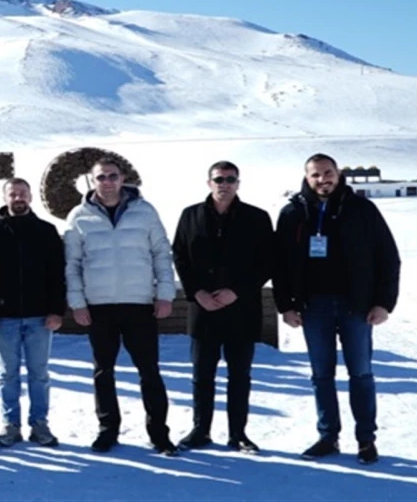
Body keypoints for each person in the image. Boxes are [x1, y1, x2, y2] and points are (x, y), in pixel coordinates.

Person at [274, 153, 400, 464]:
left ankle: (366, 439)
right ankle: (328, 436)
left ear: (338, 173)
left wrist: (383, 303)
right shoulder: (293, 213)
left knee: (360, 373)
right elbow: (280, 264)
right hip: (313, 306)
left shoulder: (362, 210)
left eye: (328, 173)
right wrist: (286, 305)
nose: (322, 179)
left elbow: (388, 258)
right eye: (315, 175)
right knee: (321, 375)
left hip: (355, 306)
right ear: (307, 177)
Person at [65, 158, 178, 456]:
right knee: (104, 372)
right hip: (99, 307)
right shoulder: (79, 216)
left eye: (112, 176)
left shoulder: (145, 211)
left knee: (149, 372)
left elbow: (161, 254)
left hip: (139, 304)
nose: (107, 181)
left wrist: (165, 293)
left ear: (123, 177)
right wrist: (77, 302)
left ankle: (159, 434)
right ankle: (108, 430)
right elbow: (72, 264)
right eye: (100, 177)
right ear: (92, 181)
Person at [171, 161, 273, 454]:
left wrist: (237, 292)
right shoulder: (191, 215)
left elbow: (267, 262)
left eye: (230, 179)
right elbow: (179, 255)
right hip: (203, 309)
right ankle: (200, 430)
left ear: (238, 183)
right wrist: (196, 292)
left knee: (239, 374)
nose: (224, 184)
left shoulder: (256, 217)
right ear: (209, 183)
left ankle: (238, 433)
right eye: (219, 179)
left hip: (241, 309)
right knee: (202, 374)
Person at [0, 178, 67, 448]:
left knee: (39, 373)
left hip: (40, 316)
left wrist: (56, 310)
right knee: (8, 374)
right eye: (13, 194)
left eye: (23, 194)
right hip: (4, 317)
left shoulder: (46, 231)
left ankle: (39, 424)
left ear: (31, 197)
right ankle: (11, 424)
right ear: (5, 198)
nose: (18, 198)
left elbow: (56, 275)